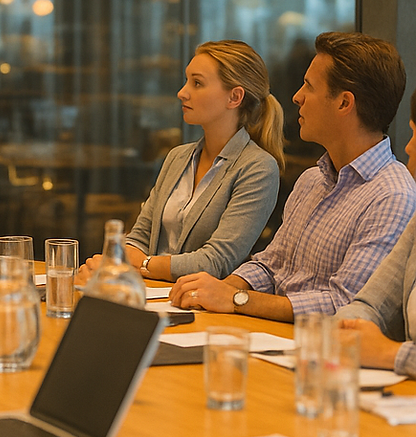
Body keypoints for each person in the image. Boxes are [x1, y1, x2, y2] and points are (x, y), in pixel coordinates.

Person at [169, 31, 416, 321]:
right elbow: (270, 265)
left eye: (309, 87)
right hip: (274, 337)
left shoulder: (392, 195)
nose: (297, 97)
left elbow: (344, 305)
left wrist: (237, 300)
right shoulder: (313, 179)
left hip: (321, 352)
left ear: (344, 103)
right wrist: (220, 289)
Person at [78, 40, 282, 284]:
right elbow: (140, 236)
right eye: (187, 81)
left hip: (204, 308)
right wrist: (116, 261)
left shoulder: (258, 168)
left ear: (234, 97)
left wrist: (142, 264)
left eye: (197, 83)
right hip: (152, 293)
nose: (182, 92)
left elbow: (215, 262)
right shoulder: (178, 156)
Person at [337, 90, 416, 378]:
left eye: (414, 134)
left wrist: (389, 353)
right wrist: (345, 330)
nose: (407, 148)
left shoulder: (396, 192)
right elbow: (370, 303)